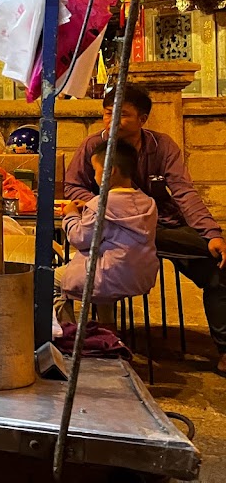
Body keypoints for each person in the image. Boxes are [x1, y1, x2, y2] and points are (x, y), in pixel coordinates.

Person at [65, 83, 226, 374]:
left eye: (123, 115)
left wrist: (211, 233)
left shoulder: (162, 147)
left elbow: (184, 192)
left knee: (218, 264)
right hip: (113, 232)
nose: (112, 121)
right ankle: (103, 333)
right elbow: (73, 186)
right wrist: (104, 205)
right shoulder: (93, 147)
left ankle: (225, 347)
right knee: (95, 264)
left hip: (164, 226)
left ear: (142, 119)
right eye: (106, 114)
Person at [55, 139, 158, 325]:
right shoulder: (148, 202)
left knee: (49, 280)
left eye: (95, 170)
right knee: (104, 262)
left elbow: (79, 238)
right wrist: (90, 207)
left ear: (110, 171)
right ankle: (107, 330)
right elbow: (119, 211)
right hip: (138, 275)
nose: (94, 175)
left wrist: (70, 214)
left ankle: (67, 334)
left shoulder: (100, 204)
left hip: (107, 276)